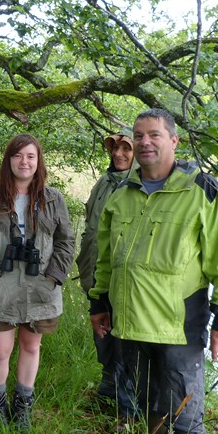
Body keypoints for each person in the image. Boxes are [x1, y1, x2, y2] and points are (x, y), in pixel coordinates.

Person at [88, 108, 218, 434]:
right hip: (128, 324)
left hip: (178, 328)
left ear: (173, 141)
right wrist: (99, 303)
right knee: (143, 408)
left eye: (154, 135)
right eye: (138, 135)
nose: (144, 142)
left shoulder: (203, 193)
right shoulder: (122, 195)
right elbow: (106, 259)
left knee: (186, 416)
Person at [0, 134, 75, 431]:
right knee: (0, 349)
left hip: (40, 285)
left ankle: (23, 405)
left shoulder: (53, 199)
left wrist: (54, 276)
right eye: (18, 156)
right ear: (9, 161)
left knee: (31, 346)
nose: (24, 162)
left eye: (30, 156)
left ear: (38, 161)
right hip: (1, 284)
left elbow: (66, 241)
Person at [76, 126, 136, 413]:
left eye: (126, 148)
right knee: (101, 330)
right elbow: (90, 225)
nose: (119, 154)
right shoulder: (103, 182)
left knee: (124, 334)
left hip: (122, 278)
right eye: (115, 148)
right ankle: (108, 382)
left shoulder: (138, 186)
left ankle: (127, 398)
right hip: (94, 274)